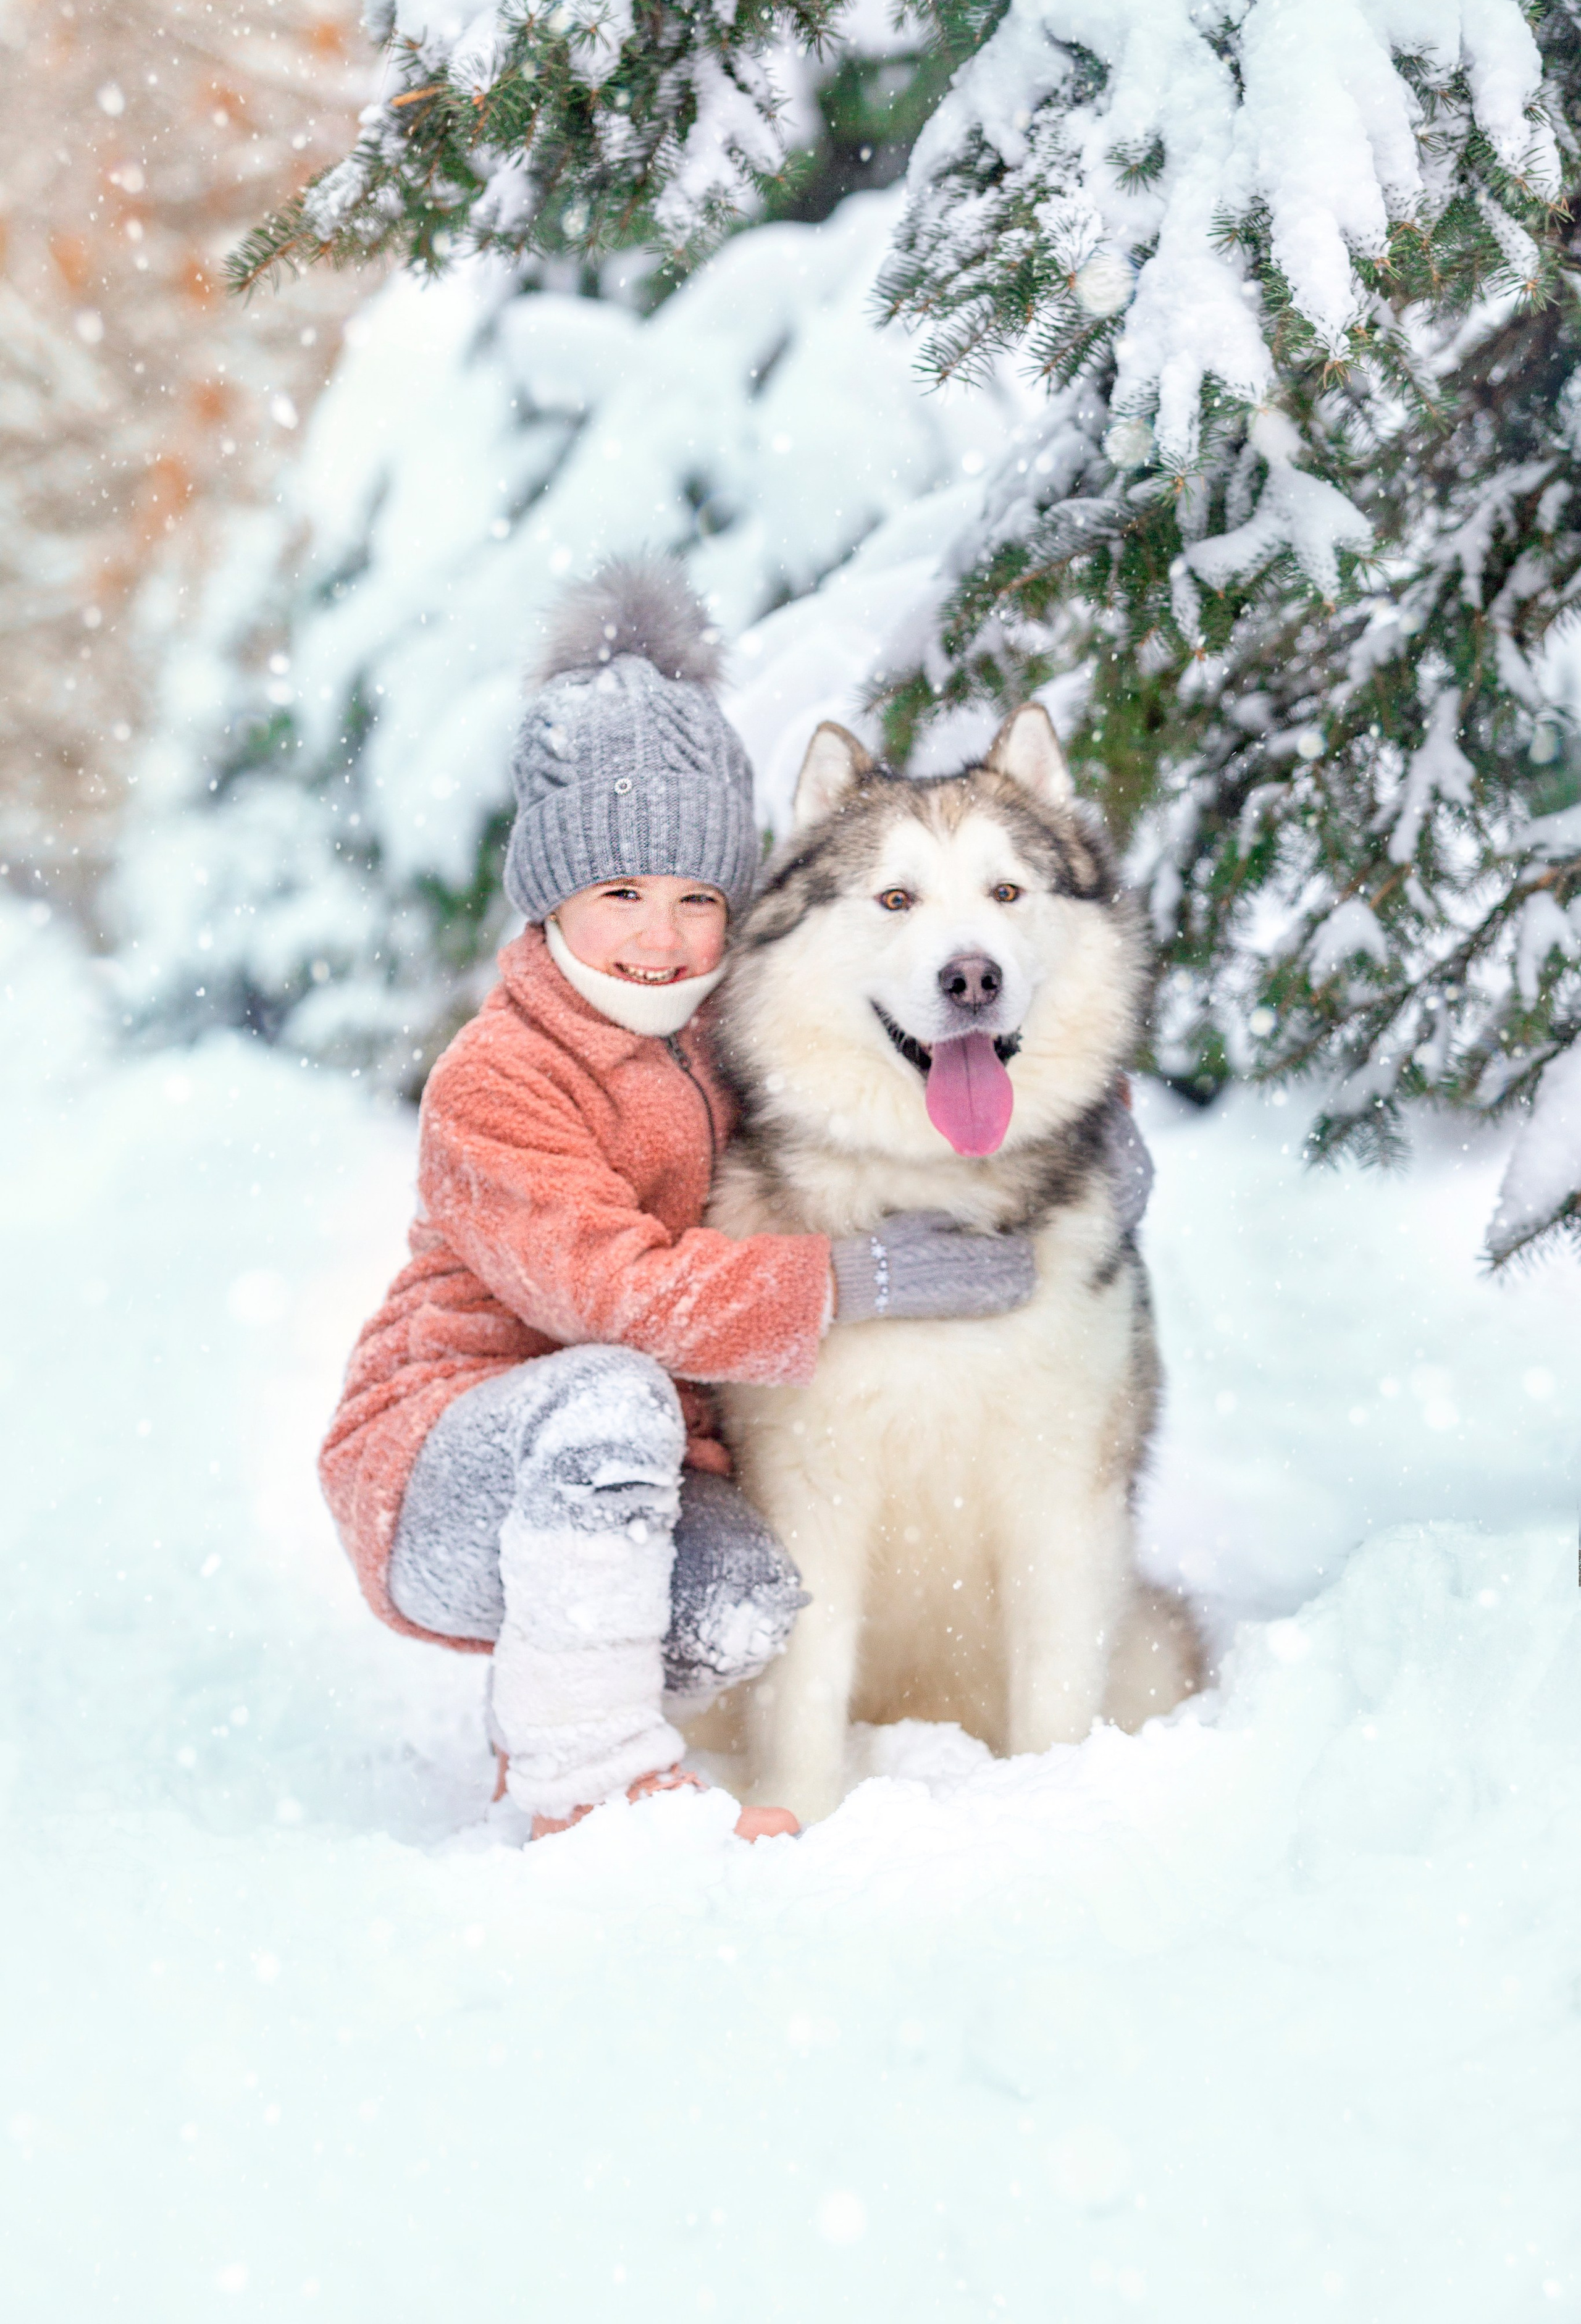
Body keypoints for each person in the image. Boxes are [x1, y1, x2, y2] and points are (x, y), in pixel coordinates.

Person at [319, 557, 1043, 1842]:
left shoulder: (723, 1032)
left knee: (749, 1601)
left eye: (696, 899)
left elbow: (902, 1049)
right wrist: (851, 1281)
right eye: (620, 898)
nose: (659, 936)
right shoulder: (499, 1078)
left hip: (631, 1463)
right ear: (553, 899)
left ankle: (567, 1694)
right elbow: (617, 1293)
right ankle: (579, 1782)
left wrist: (1091, 1132)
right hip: (442, 1465)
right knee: (614, 1387)